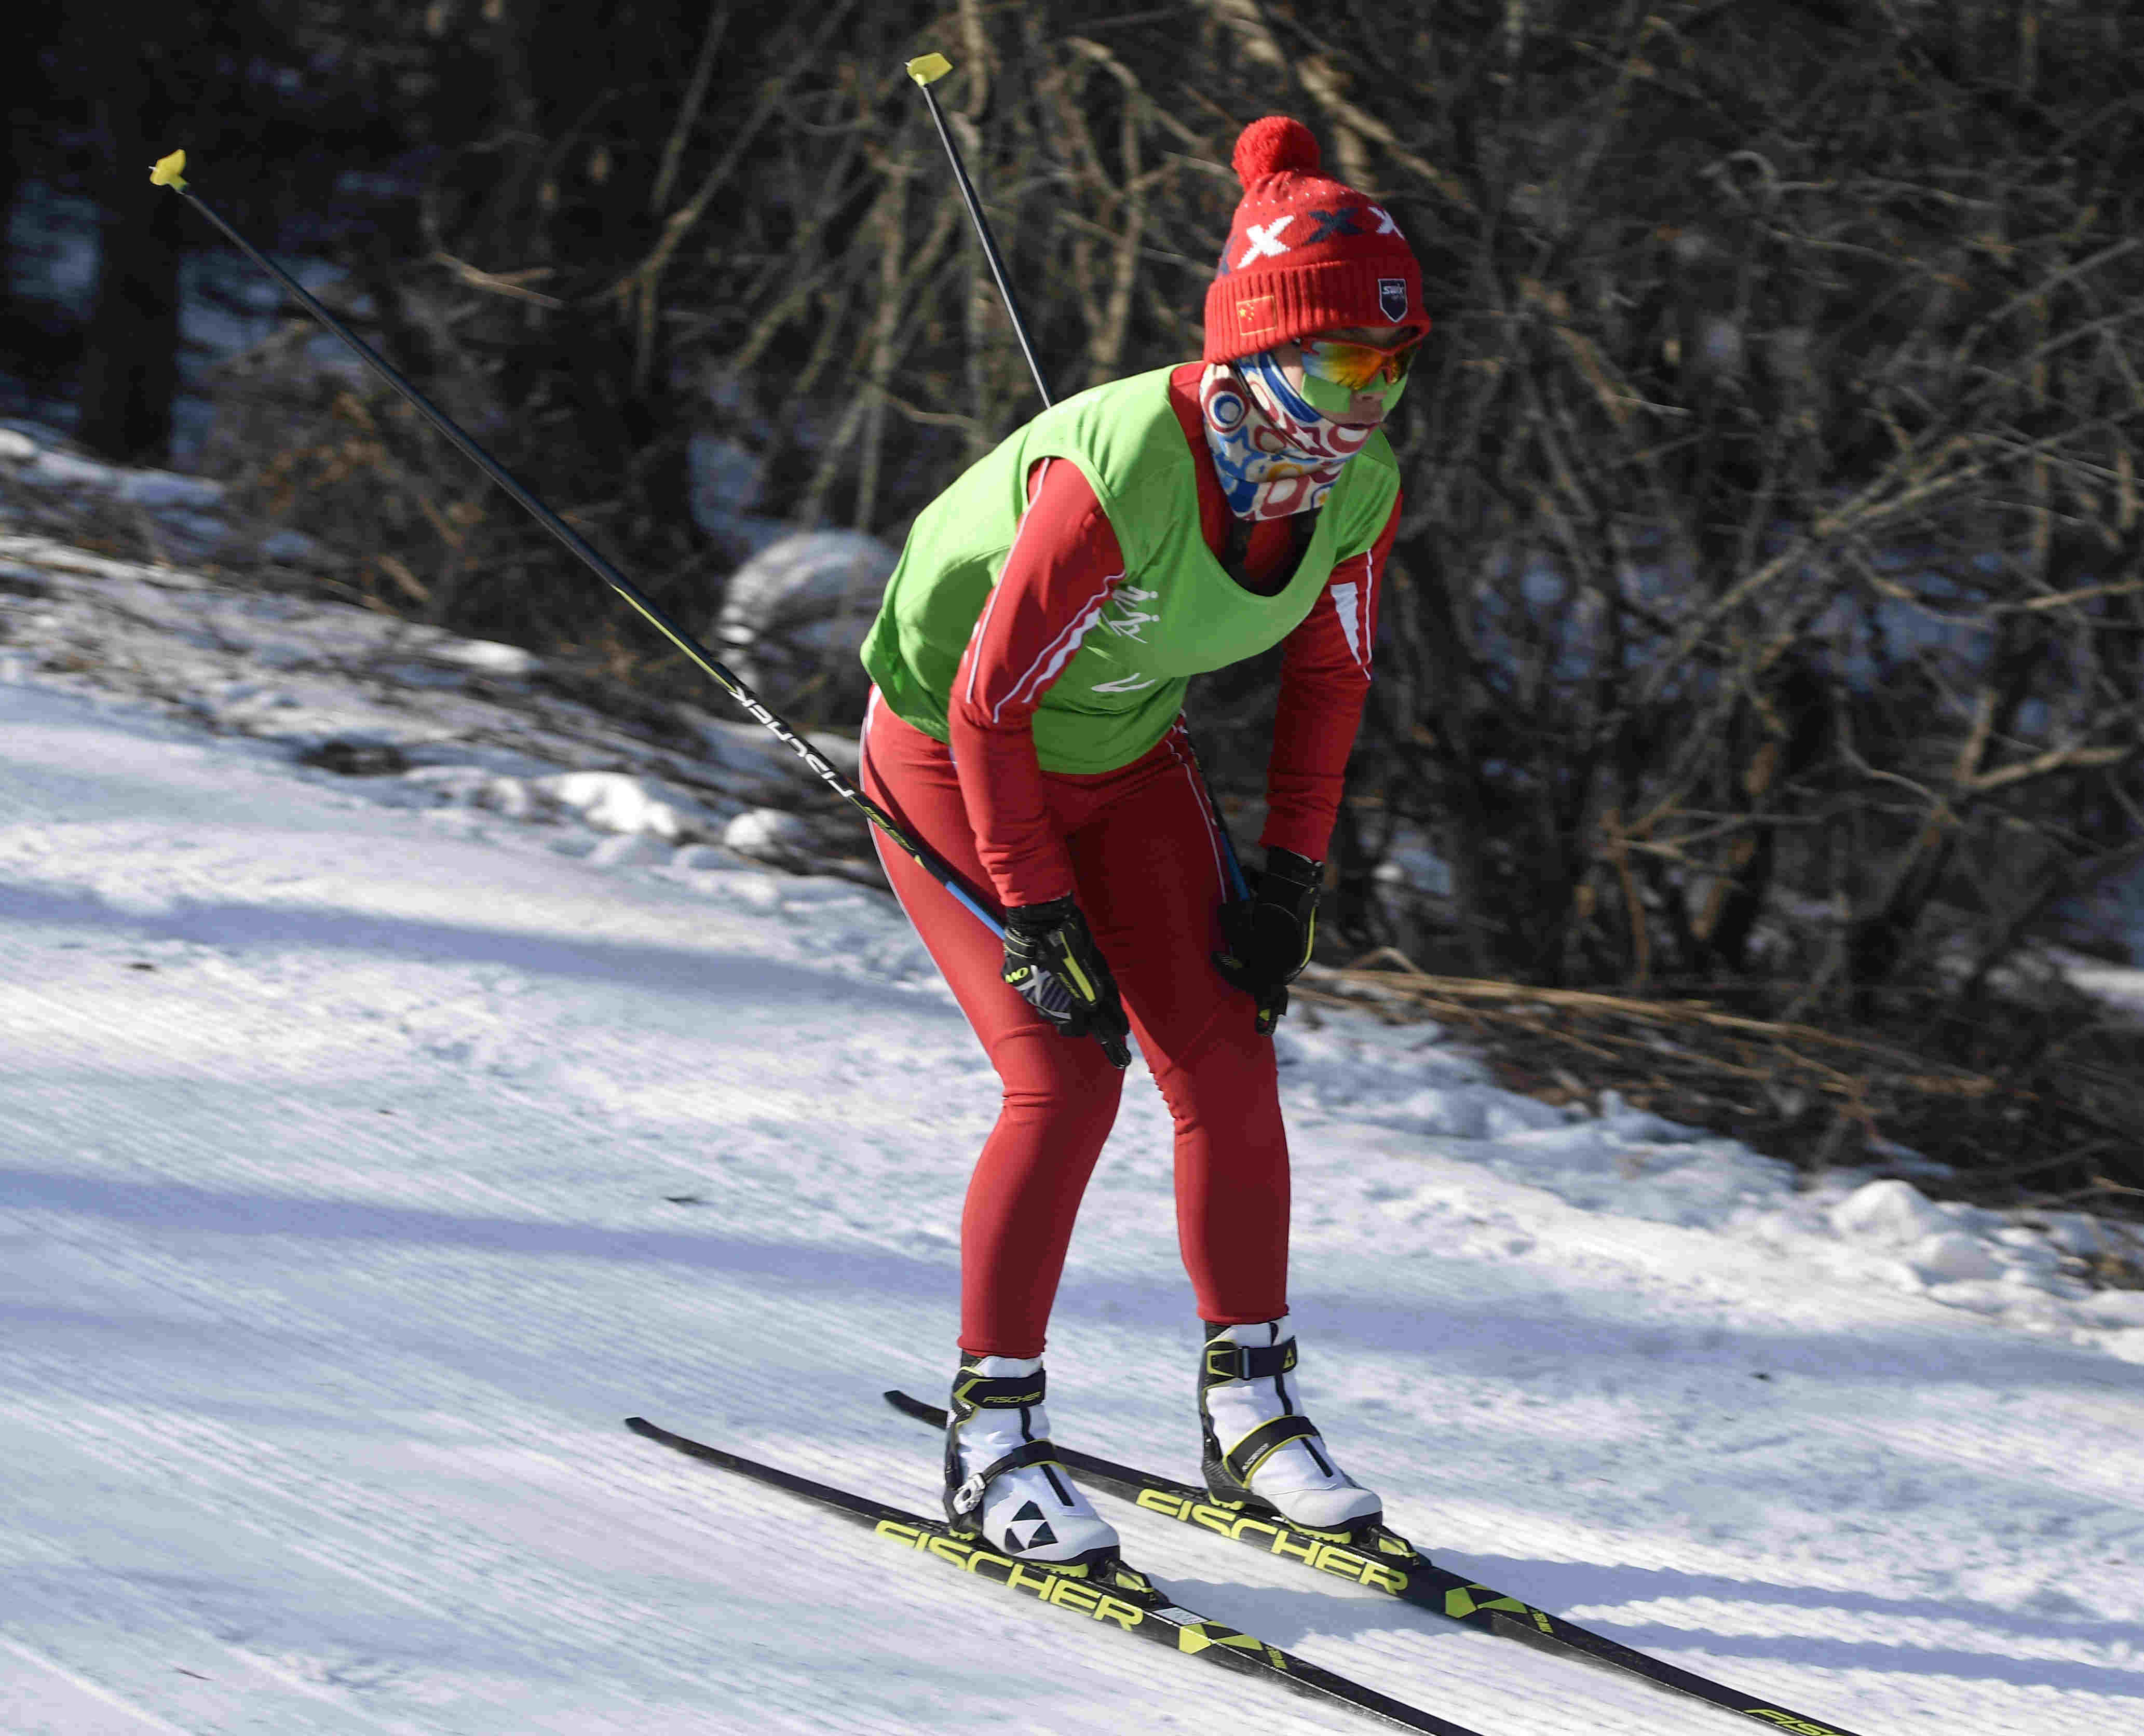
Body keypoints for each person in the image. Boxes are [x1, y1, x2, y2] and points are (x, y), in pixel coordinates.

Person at [857, 114, 1427, 1577]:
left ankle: (1249, 1405)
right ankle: (989, 1438)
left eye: (1389, 365)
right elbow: (984, 710)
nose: (1362, 402)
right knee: (1063, 1075)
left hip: (1121, 757)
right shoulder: (1114, 474)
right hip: (952, 764)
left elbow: (1329, 677)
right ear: (1248, 351)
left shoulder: (1352, 487)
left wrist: (1290, 876)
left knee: (1223, 1052)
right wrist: (1038, 917)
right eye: (1335, 366)